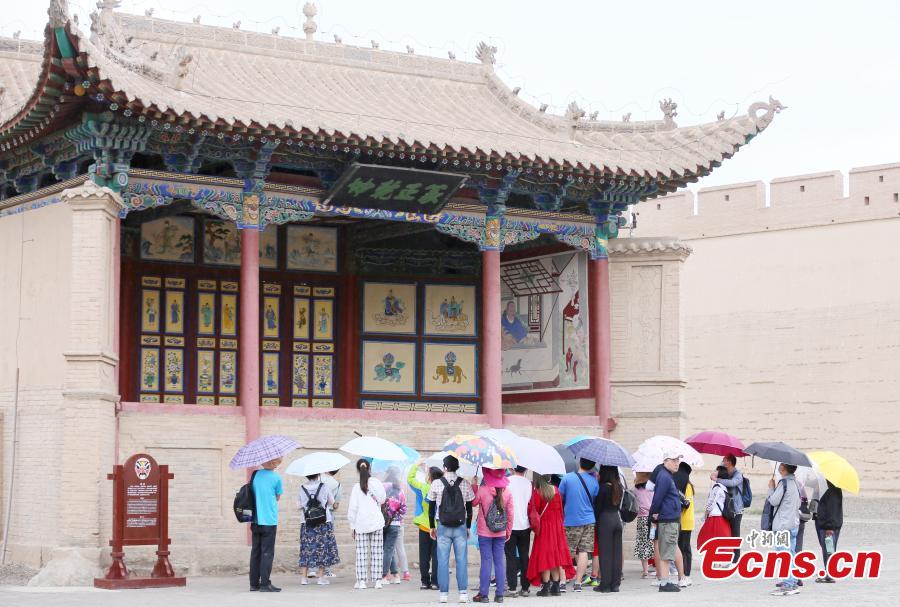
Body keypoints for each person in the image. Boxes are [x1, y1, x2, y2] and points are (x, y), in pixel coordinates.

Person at [428, 455, 476, 604]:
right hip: (460, 526)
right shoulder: (465, 483)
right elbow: (469, 509)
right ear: (457, 467)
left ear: (445, 467)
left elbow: (431, 508)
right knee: (461, 560)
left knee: (442, 560)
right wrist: (468, 526)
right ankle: (463, 594)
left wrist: (432, 526)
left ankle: (443, 594)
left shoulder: (436, 483)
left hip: (442, 526)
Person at [526, 473, 574, 597]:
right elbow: (561, 511)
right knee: (555, 556)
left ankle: (546, 587)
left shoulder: (538, 492)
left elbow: (534, 510)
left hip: (544, 528)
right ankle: (556, 586)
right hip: (557, 528)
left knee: (545, 556)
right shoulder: (556, 490)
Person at [557, 458, 599, 592]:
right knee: (584, 551)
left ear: (579, 463)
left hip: (570, 520)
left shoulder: (567, 478)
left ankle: (562, 582)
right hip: (589, 520)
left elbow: (559, 497)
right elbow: (595, 498)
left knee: (566, 551)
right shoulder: (594, 481)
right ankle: (578, 583)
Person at [472, 468, 514, 603]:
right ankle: (499, 595)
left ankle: (484, 595)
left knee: (486, 561)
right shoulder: (507, 492)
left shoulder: (483, 490)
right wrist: (508, 530)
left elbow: (473, 503)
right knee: (499, 562)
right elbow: (510, 514)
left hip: (484, 532)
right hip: (501, 532)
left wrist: (474, 486)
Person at [347, 459, 387, 589]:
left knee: (361, 553)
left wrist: (352, 526)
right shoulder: (376, 483)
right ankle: (377, 581)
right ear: (369, 468)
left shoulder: (356, 487)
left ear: (358, 470)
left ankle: (362, 581)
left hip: (361, 523)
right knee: (377, 552)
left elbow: (353, 508)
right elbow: (383, 500)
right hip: (376, 522)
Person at [649, 452, 683, 593]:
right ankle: (664, 583)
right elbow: (658, 498)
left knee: (666, 551)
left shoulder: (666, 475)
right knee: (667, 552)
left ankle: (665, 581)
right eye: (674, 460)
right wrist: (653, 514)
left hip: (669, 519)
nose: (677, 463)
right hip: (668, 520)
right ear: (666, 461)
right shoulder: (664, 476)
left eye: (678, 460)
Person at [297, 473, 340, 585]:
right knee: (323, 548)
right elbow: (331, 502)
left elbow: (298, 506)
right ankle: (321, 578)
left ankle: (304, 578)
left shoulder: (302, 488)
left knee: (306, 548)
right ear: (317, 474)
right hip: (323, 521)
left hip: (307, 522)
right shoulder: (324, 486)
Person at [767, 463, 802, 596]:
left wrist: (771, 488)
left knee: (784, 555)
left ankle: (788, 585)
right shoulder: (796, 483)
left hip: (782, 525)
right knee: (791, 554)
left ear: (784, 468)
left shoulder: (784, 483)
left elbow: (773, 501)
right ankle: (792, 582)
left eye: (781, 465)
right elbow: (799, 503)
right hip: (793, 524)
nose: (779, 466)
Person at [249, 457, 283, 593]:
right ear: (275, 463)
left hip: (255, 520)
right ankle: (264, 584)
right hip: (269, 520)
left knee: (255, 552)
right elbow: (277, 497)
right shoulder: (276, 478)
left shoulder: (255, 475)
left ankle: (253, 584)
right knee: (267, 553)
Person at [410, 463, 442, 589]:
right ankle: (435, 582)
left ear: (429, 477)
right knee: (436, 555)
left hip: (424, 526)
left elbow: (410, 479)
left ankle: (424, 582)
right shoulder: (442, 489)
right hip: (438, 527)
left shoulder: (423, 488)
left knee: (424, 555)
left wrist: (416, 465)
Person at [593, 465, 623, 593]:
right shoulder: (618, 487)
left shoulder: (603, 488)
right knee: (616, 554)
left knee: (605, 553)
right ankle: (615, 584)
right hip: (617, 519)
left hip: (605, 520)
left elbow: (598, 508)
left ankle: (605, 585)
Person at [711, 453, 745, 562]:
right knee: (726, 532)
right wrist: (715, 473)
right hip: (726, 508)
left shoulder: (738, 475)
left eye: (724, 460)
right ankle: (728, 554)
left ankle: (736, 557)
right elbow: (718, 470)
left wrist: (716, 479)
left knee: (735, 533)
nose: (723, 461)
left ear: (729, 462)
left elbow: (732, 483)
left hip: (736, 510)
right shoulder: (725, 472)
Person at [505, 466, 533, 597]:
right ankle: (525, 588)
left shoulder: (507, 481)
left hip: (510, 524)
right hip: (525, 524)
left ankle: (512, 588)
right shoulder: (529, 484)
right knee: (524, 556)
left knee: (510, 557)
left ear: (512, 468)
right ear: (525, 469)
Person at [382, 467, 409, 584]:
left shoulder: (382, 487)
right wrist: (396, 515)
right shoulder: (399, 490)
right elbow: (403, 509)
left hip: (382, 523)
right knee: (390, 549)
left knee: (387, 549)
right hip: (395, 524)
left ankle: (385, 575)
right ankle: (395, 575)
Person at [697, 466, 734, 551]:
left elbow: (711, 502)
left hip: (715, 517)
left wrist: (706, 513)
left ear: (720, 473)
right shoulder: (723, 487)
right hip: (720, 517)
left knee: (708, 540)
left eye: (716, 470)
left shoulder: (718, 487)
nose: (714, 471)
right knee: (719, 541)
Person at [814, 480, 843, 584]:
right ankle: (829, 573)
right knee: (829, 549)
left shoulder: (830, 489)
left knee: (828, 550)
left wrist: (829, 527)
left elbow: (832, 508)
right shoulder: (831, 487)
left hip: (828, 526)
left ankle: (830, 574)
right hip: (828, 524)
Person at [673, 461, 695, 587]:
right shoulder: (686, 484)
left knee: (685, 549)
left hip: (685, 521)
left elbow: (686, 503)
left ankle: (686, 575)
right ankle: (685, 574)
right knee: (683, 548)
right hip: (686, 521)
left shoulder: (687, 486)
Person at [319, 469, 343, 579]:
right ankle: (326, 571)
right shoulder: (337, 485)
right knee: (327, 542)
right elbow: (335, 505)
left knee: (314, 540)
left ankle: (312, 570)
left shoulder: (317, 480)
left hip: (313, 515)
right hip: (328, 515)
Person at [633, 471, 654, 578]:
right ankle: (659, 570)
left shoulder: (636, 489)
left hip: (641, 518)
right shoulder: (653, 488)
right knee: (655, 543)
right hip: (653, 519)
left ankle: (645, 571)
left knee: (643, 544)